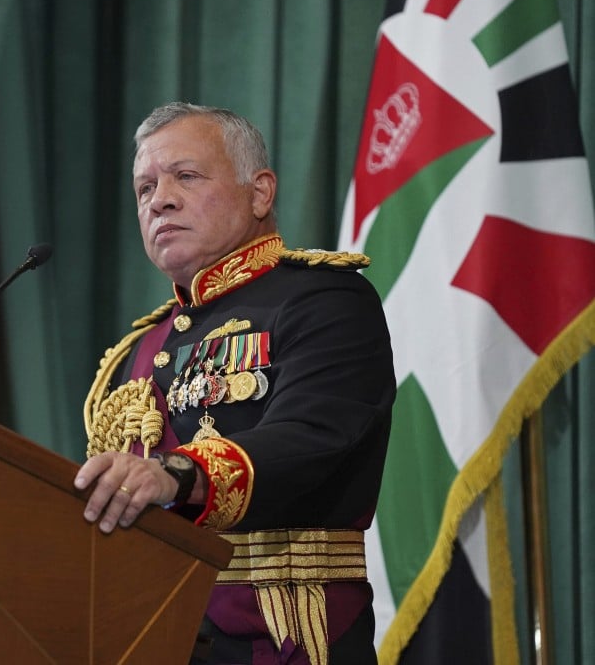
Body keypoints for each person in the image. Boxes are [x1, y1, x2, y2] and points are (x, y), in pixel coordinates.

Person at [74, 102, 396, 665]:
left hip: (282, 638)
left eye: (186, 176)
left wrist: (178, 473)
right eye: (145, 187)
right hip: (151, 635)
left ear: (261, 192)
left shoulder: (324, 300)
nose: (160, 199)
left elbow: (311, 437)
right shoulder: (141, 347)